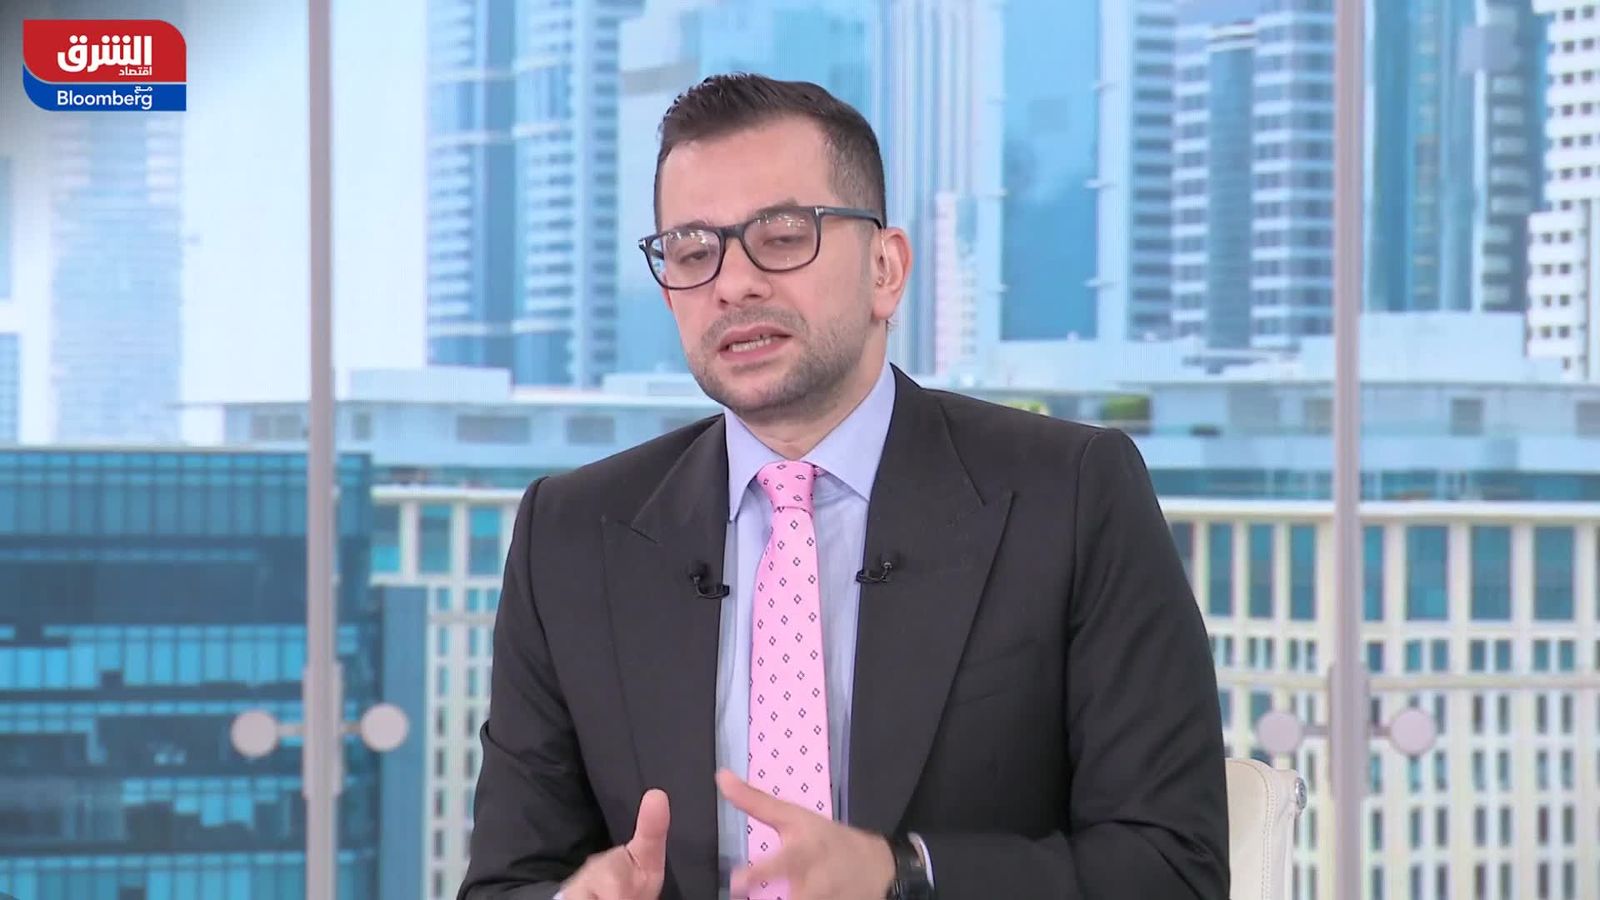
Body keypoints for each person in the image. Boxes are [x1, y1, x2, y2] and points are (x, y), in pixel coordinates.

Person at [458, 73, 1228, 900]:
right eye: (692, 251)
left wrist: (905, 874)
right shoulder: (571, 535)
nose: (733, 283)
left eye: (782, 237)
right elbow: (507, 882)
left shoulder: (1070, 495)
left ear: (886, 269)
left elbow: (1173, 868)